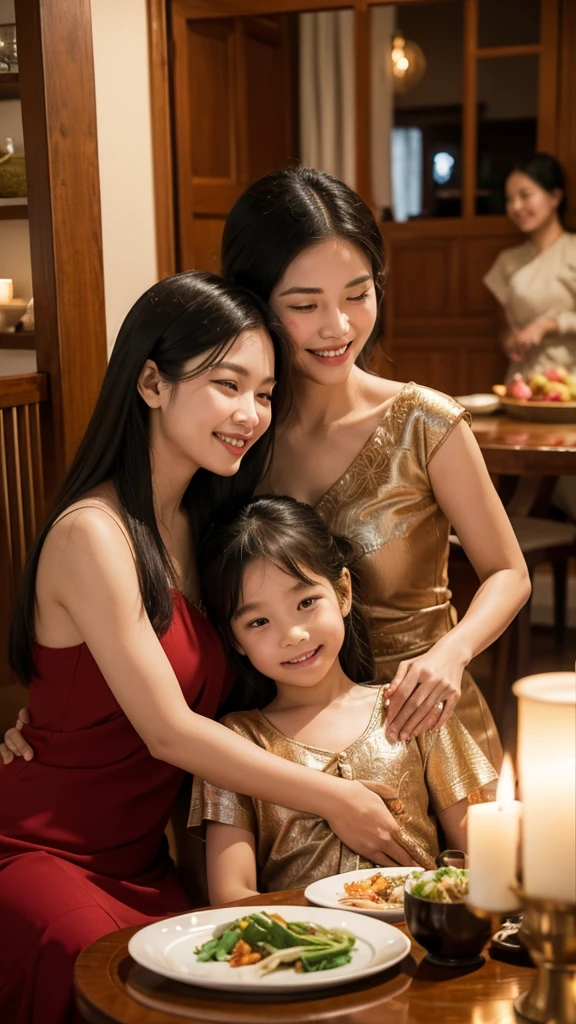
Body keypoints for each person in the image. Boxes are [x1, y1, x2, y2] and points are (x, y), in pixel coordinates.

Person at [0, 272, 412, 1024]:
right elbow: (165, 729)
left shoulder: (205, 523)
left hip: (146, 865)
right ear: (151, 382)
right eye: (228, 384)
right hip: (44, 854)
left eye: (263, 392)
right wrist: (340, 800)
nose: (250, 414)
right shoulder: (93, 533)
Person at [221, 166, 531, 767]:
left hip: (419, 718)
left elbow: (508, 573)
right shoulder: (239, 436)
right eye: (305, 305)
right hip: (285, 735)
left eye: (358, 295)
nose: (338, 327)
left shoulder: (426, 423)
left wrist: (452, 652)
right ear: (254, 304)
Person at [191, 496, 498, 904]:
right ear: (235, 640)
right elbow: (231, 896)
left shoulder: (413, 707)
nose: (293, 634)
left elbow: (482, 860)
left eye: (305, 602)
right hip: (308, 957)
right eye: (258, 621)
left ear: (343, 591)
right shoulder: (236, 742)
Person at [484, 152, 576, 379]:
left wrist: (548, 325)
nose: (516, 206)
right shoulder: (507, 261)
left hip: (571, 381)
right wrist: (511, 341)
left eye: (525, 195)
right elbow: (504, 328)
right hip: (524, 381)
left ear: (555, 197)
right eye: (509, 199)